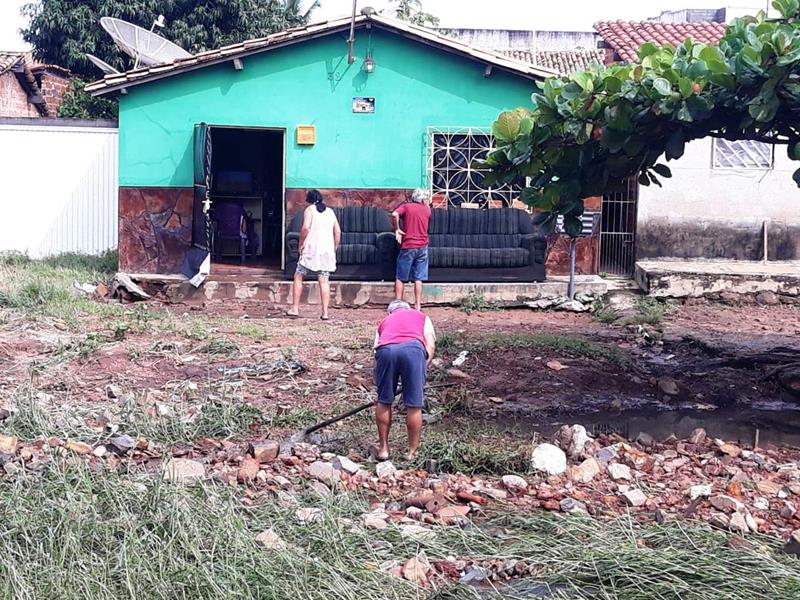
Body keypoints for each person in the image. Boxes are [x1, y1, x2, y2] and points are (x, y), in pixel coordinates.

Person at [373, 299, 436, 461]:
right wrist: (422, 367)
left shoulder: (384, 321)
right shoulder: (421, 316)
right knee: (414, 405)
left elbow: (376, 352)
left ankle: (384, 449)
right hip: (413, 350)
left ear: (390, 312)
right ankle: (411, 453)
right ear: (409, 308)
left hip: (386, 351)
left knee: (384, 401)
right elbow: (430, 345)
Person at [287, 190, 341, 320]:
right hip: (326, 251)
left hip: (311, 249)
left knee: (299, 276)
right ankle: (325, 312)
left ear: (309, 200)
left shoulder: (310, 210)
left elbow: (305, 228)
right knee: (324, 280)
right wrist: (334, 247)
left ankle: (294, 308)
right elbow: (338, 231)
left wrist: (301, 243)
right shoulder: (330, 212)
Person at [392, 188, 431, 311]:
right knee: (418, 278)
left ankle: (398, 304)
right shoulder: (427, 210)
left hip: (409, 245)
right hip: (423, 246)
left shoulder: (407, 207)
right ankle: (418, 305)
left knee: (400, 276)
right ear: (423, 199)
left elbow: (394, 214)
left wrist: (397, 229)